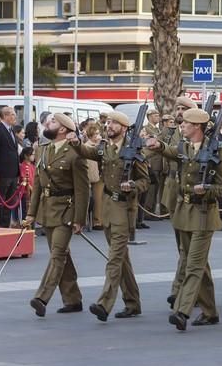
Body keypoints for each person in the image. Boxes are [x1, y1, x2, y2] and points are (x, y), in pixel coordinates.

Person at [147, 107, 222, 331]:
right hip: (183, 212)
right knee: (200, 265)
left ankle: (182, 310)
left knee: (193, 265)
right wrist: (159, 146)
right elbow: (172, 152)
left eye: (187, 124)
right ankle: (210, 311)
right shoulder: (184, 146)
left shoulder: (216, 151)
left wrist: (207, 190)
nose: (182, 126)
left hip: (203, 214)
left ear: (198, 127)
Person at [69, 111, 149, 322]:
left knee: (114, 259)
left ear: (124, 128)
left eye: (115, 123)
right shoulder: (104, 147)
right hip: (107, 207)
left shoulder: (134, 151)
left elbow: (145, 181)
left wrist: (132, 185)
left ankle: (105, 303)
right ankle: (133, 303)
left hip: (124, 208)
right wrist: (77, 142)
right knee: (121, 259)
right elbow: (88, 151)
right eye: (109, 122)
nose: (110, 125)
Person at [24, 113, 89, 317]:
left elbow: (82, 189)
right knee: (61, 254)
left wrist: (79, 219)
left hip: (66, 210)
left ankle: (42, 297)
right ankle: (73, 299)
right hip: (47, 209)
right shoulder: (42, 150)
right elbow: (37, 186)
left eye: (52, 122)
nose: (47, 124)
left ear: (63, 129)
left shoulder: (75, 153)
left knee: (57, 254)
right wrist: (31, 213)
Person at [159, 96, 198, 310]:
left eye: (185, 108)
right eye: (179, 108)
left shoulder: (198, 133)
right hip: (173, 190)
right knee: (184, 247)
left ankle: (179, 289)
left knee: (188, 249)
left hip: (189, 191)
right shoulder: (174, 131)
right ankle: (194, 289)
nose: (180, 112)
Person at [0, 106, 20, 228]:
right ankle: (0, 226)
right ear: (6, 116)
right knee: (1, 201)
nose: (15, 117)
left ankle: (6, 225)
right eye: (12, 114)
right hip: (3, 173)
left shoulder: (11, 130)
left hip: (13, 173)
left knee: (9, 202)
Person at [84, 125, 104, 230]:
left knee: (99, 199)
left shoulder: (100, 145)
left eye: (98, 133)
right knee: (88, 200)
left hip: (99, 175)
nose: (98, 136)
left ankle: (98, 221)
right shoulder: (87, 146)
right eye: (96, 134)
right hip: (90, 176)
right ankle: (88, 221)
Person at [19, 146, 35, 223]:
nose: (33, 156)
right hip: (26, 193)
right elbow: (24, 179)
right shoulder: (23, 166)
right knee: (26, 211)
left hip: (33, 192)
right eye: (32, 154)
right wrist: (32, 189)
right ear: (26, 155)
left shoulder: (32, 166)